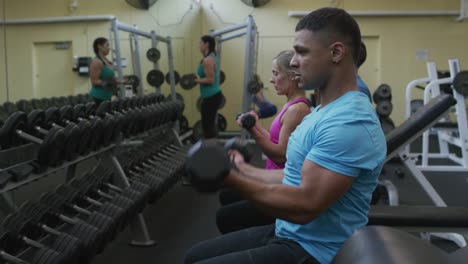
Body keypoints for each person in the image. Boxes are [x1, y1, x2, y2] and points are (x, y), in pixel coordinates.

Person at [185, 7, 386, 264]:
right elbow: (293, 173)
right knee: (194, 256)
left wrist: (232, 179)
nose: (293, 62)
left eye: (302, 52)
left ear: (336, 52)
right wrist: (241, 169)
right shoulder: (322, 110)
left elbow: (306, 205)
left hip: (315, 250)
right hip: (290, 232)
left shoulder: (349, 123)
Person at [216, 50, 311, 234]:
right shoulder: (290, 105)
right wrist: (256, 126)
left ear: (292, 76)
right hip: (273, 177)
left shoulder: (297, 110)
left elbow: (281, 155)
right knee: (227, 196)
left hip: (280, 185)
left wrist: (252, 130)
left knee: (225, 216)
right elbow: (274, 140)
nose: (271, 79)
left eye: (276, 73)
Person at [195, 35, 224, 139]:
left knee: (207, 126)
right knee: (208, 124)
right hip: (211, 95)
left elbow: (210, 80)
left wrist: (196, 81)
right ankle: (211, 148)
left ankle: (210, 150)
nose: (199, 46)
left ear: (206, 44)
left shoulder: (208, 60)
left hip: (211, 96)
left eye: (200, 43)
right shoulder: (212, 57)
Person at [89, 37, 123, 105]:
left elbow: (110, 79)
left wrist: (123, 81)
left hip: (107, 97)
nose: (109, 48)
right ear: (99, 46)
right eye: (107, 45)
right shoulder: (96, 62)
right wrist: (112, 82)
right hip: (98, 98)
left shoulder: (107, 62)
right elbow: (94, 81)